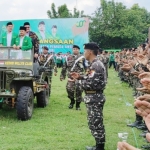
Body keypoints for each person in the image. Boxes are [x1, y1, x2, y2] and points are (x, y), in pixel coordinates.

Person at [71, 42, 106, 150]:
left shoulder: (96, 64)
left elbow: (91, 84)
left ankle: (100, 147)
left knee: (96, 122)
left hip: (94, 97)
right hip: (93, 97)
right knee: (94, 122)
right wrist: (80, 77)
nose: (84, 53)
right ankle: (98, 145)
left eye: (85, 51)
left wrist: (77, 82)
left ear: (90, 52)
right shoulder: (94, 64)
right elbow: (90, 78)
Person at [60, 45, 85, 110]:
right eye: (74, 49)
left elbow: (87, 67)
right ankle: (72, 101)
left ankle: (78, 105)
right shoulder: (68, 57)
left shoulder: (83, 58)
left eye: (76, 49)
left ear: (79, 50)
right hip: (70, 77)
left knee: (79, 91)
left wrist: (86, 76)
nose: (75, 50)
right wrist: (62, 76)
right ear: (72, 50)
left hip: (79, 77)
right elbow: (64, 67)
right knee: (69, 90)